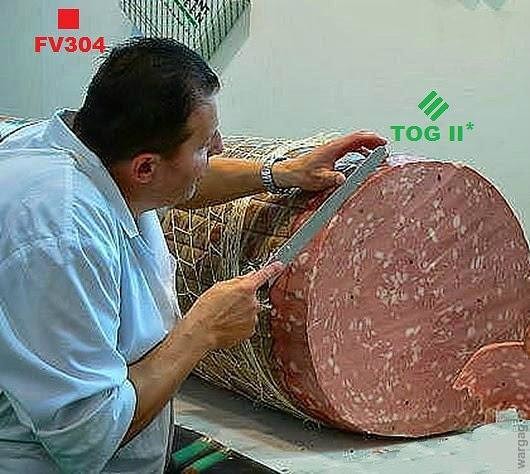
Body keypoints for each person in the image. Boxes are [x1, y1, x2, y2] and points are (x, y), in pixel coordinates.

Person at [0, 37, 387, 473]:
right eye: (204, 146)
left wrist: (281, 173)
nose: (219, 148)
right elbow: (87, 436)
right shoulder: (62, 237)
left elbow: (181, 182)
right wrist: (202, 330)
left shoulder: (77, 145)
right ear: (145, 166)